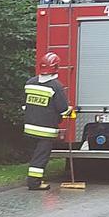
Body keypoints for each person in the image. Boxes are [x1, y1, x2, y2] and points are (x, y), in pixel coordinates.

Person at [23, 52, 70, 191]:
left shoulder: (30, 83)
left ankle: (33, 180)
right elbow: (62, 109)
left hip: (30, 128)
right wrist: (71, 110)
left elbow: (26, 105)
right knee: (40, 158)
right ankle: (34, 183)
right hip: (46, 130)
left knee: (34, 156)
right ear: (56, 67)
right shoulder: (56, 86)